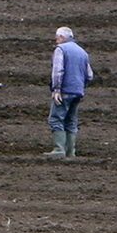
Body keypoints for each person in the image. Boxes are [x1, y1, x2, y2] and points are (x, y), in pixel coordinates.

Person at [45, 26, 94, 159]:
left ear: (62, 37)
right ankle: (70, 152)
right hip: (78, 92)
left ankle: (59, 149)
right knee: (71, 121)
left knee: (56, 119)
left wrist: (56, 89)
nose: (56, 40)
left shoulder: (60, 50)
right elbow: (89, 75)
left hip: (65, 90)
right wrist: (81, 87)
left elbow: (58, 71)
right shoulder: (82, 52)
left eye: (57, 38)